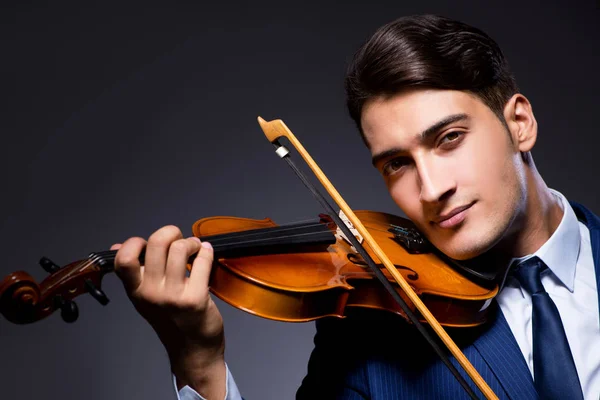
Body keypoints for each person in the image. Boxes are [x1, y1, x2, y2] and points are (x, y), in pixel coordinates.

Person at [112, 14, 600, 399]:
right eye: (396, 164)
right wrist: (200, 365)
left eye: (449, 138)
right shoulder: (369, 337)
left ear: (520, 124)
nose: (430, 189)